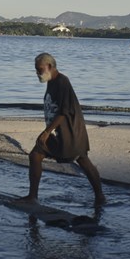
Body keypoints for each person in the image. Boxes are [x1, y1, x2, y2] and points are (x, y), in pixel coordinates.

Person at [19, 52, 106, 205]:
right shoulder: (51, 82)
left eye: (39, 69)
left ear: (50, 66)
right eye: (36, 70)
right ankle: (33, 196)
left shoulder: (62, 82)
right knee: (36, 156)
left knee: (83, 160)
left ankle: (100, 197)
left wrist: (46, 132)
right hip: (58, 132)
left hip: (69, 133)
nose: (37, 73)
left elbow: (64, 112)